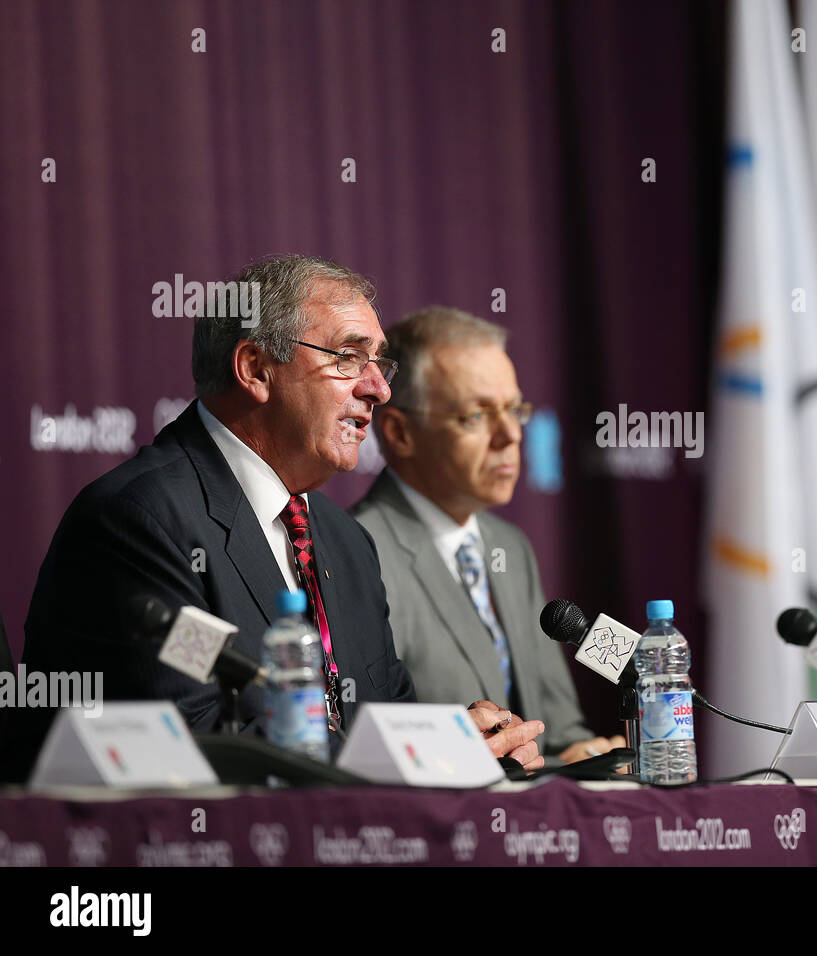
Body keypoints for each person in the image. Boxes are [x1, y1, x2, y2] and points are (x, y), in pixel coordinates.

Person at [15, 256, 543, 775]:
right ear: (255, 369)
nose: (379, 389)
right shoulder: (141, 522)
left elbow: (386, 720)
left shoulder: (346, 543)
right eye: (349, 358)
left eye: (379, 364)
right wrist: (427, 755)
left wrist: (465, 740)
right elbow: (193, 747)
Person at [353, 306, 624, 765]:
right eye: (477, 415)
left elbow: (557, 730)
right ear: (399, 432)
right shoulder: (356, 550)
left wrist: (588, 754)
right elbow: (363, 741)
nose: (510, 435)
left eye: (514, 410)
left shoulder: (508, 547)